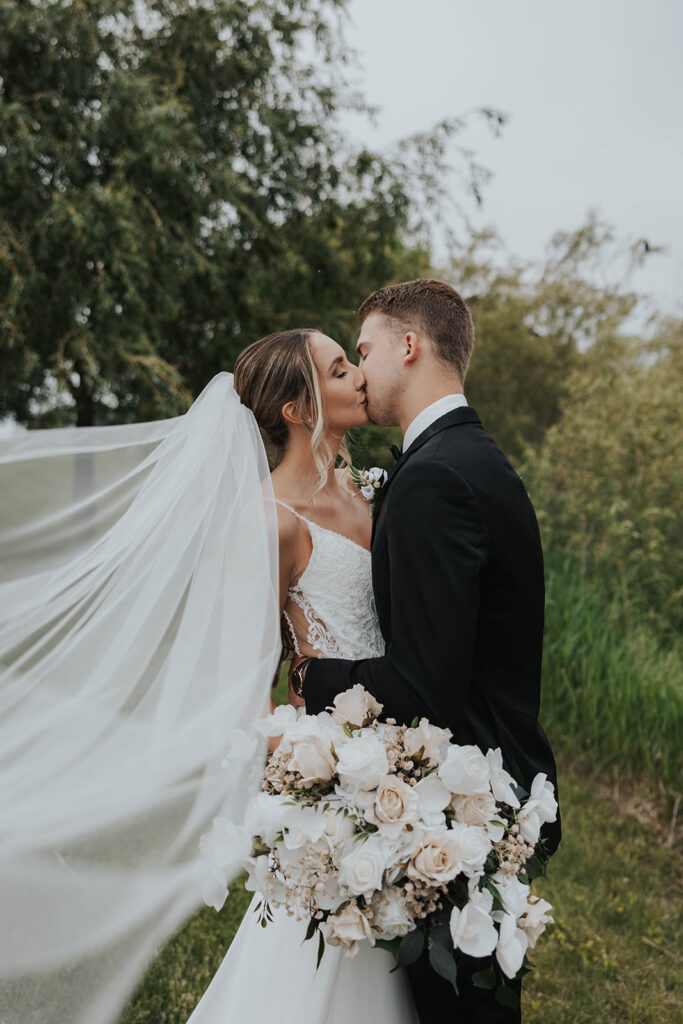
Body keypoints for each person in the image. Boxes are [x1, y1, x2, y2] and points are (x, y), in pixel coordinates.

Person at [289, 279, 561, 1024]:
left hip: (459, 814)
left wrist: (314, 678)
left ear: (408, 347)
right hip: (491, 792)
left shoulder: (434, 478)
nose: (360, 372)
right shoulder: (472, 458)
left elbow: (424, 682)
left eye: (365, 351)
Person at [186, 326, 419, 1022]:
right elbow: (242, 678)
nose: (358, 378)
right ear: (296, 409)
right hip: (331, 772)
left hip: (407, 749)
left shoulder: (367, 490)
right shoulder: (271, 520)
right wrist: (300, 769)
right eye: (339, 369)